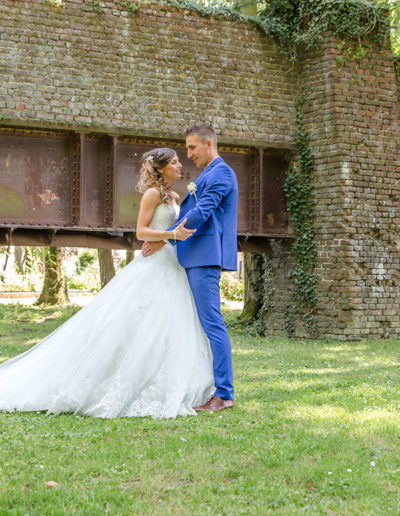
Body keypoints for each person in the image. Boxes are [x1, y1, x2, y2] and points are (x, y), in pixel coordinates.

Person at [0, 148, 215, 419]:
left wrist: (166, 238)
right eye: (174, 162)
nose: (180, 165)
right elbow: (140, 232)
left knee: (174, 322)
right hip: (155, 265)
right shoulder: (152, 194)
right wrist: (169, 234)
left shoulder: (175, 197)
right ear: (160, 168)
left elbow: (169, 231)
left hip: (171, 262)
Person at [142, 124, 238, 413]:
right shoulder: (208, 173)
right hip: (194, 256)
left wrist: (165, 238)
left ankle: (224, 394)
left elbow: (201, 212)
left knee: (212, 324)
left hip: (204, 257)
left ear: (209, 144)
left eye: (192, 148)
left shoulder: (220, 173)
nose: (188, 154)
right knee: (199, 324)